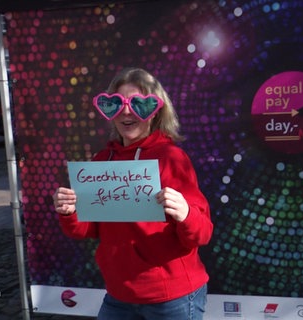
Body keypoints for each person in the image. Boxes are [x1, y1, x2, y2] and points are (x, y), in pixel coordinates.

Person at [52, 67, 213, 320]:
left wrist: (186, 214)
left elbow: (202, 234)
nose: (127, 112)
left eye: (139, 104)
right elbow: (85, 230)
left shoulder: (172, 159)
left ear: (156, 111)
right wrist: (69, 211)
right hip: (119, 296)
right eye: (116, 104)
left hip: (171, 299)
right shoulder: (101, 162)